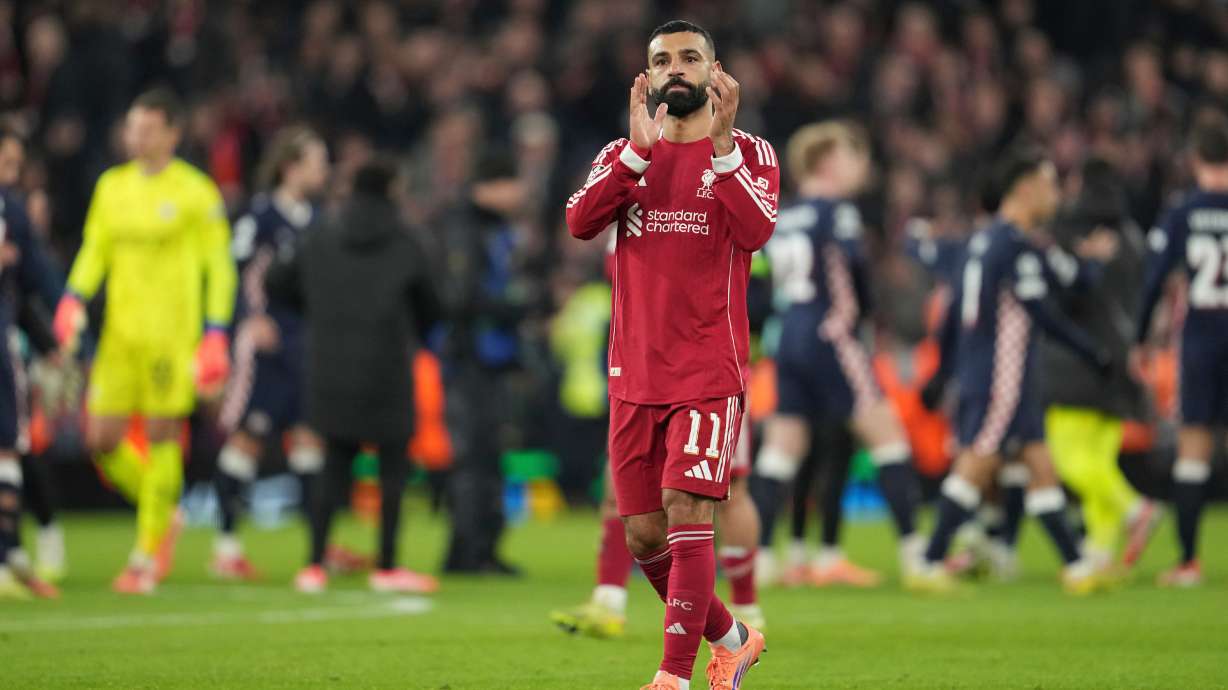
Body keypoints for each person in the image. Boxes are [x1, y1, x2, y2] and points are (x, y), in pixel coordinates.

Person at [565, 20, 776, 690]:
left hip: (708, 370)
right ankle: (733, 640)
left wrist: (720, 151)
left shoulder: (750, 152)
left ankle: (673, 677)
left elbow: (757, 230)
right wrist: (633, 155)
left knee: (689, 507)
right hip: (634, 373)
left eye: (691, 58)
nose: (677, 69)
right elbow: (578, 222)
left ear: (716, 73)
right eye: (664, 61)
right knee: (644, 538)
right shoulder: (622, 154)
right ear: (648, 78)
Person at [52, 89, 237, 595]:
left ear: (173, 134)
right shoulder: (112, 187)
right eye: (133, 127)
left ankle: (145, 555)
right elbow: (95, 249)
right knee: (101, 441)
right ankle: (164, 511)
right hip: (119, 337)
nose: (137, 136)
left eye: (148, 128)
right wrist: (72, 297)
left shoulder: (196, 192)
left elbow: (219, 267)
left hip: (171, 340)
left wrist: (217, 332)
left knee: (160, 435)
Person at [909, 146, 1111, 595]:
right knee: (977, 461)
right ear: (1025, 189)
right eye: (1049, 183)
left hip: (991, 369)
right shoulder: (1014, 245)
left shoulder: (982, 240)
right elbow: (1044, 314)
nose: (1055, 193)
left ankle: (1077, 567)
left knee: (1039, 463)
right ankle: (928, 561)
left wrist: (942, 371)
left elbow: (954, 311)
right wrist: (1092, 351)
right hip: (1002, 373)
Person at [551, 252, 770, 639]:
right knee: (620, 490)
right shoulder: (625, 206)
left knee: (728, 491)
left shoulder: (723, 204)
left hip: (713, 375)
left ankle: (746, 606)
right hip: (645, 374)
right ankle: (609, 600)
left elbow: (759, 290)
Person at [753, 121, 926, 582]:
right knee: (888, 437)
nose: (860, 167)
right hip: (832, 333)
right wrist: (867, 317)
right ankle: (917, 556)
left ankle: (762, 560)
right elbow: (856, 274)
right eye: (854, 157)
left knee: (782, 449)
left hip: (788, 335)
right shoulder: (838, 213)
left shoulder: (782, 215)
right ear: (829, 161)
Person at [270, 160, 441, 595]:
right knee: (392, 469)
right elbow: (431, 305)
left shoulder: (320, 236)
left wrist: (315, 314)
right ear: (391, 190)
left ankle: (313, 565)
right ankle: (386, 565)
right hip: (387, 367)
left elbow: (278, 283)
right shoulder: (406, 242)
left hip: (329, 367)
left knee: (333, 465)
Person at [211, 126, 329, 580]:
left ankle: (317, 548)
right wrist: (248, 317)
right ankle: (225, 547)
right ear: (291, 166)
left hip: (306, 346)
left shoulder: (318, 220)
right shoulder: (258, 217)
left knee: (308, 443)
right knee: (247, 440)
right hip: (265, 347)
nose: (323, 171)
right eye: (317, 161)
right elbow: (232, 270)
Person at [1042, 157, 1160, 577]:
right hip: (1122, 359)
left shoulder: (1076, 233)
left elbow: (1067, 295)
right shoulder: (1132, 236)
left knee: (1066, 457)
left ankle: (1135, 508)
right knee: (1099, 459)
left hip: (1078, 359)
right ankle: (1099, 552)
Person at [1133, 118, 1228, 588]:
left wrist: (1139, 338)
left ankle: (1189, 563)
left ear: (1196, 160)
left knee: (1193, 448)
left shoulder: (1183, 211)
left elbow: (1154, 280)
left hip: (1202, 342)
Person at [437, 152, 533, 576]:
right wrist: (517, 307)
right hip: (470, 359)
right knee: (474, 458)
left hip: (492, 359)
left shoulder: (492, 229)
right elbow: (460, 298)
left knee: (489, 457)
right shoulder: (463, 229)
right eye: (512, 183)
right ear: (491, 186)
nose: (520, 193)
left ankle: (484, 549)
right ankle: (466, 553)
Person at [0, 127, 64, 599]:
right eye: (7, 161)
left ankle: (11, 555)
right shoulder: (11, 210)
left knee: (15, 446)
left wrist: (53, 342)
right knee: (9, 447)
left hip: (10, 343)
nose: (11, 172)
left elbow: (31, 286)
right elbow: (40, 280)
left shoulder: (14, 209)